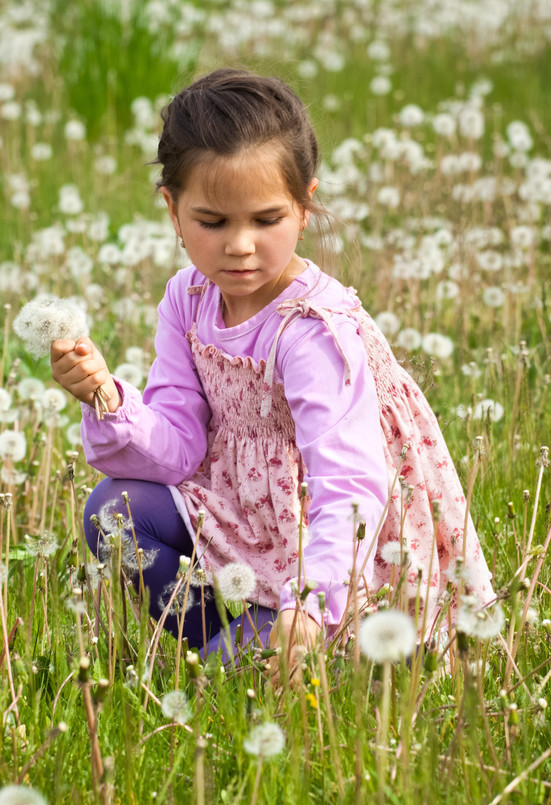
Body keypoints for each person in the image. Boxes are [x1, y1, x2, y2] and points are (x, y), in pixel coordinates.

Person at [50, 68, 494, 670]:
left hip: (336, 548)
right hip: (244, 514)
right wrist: (107, 397)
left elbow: (348, 484)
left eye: (266, 220)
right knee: (113, 511)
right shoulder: (188, 300)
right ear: (173, 211)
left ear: (305, 207)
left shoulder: (309, 330)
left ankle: (272, 648)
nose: (240, 245)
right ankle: (211, 650)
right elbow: (179, 449)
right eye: (213, 222)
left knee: (241, 678)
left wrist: (311, 602)